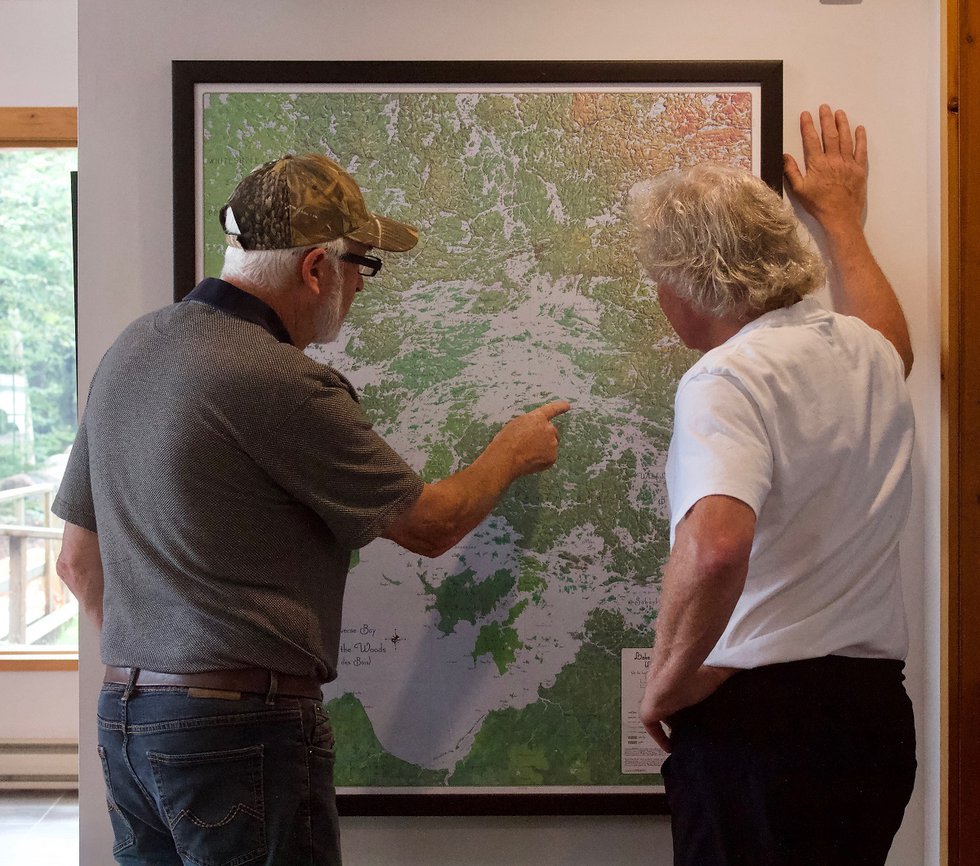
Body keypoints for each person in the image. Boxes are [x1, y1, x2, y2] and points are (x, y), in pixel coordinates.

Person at [53, 152, 570, 866]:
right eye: (361, 264)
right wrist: (512, 451)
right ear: (316, 269)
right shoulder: (282, 381)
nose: (360, 283)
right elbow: (429, 524)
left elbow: (77, 564)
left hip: (126, 721)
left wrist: (167, 681)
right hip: (240, 731)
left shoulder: (131, 350)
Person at [631, 106, 916, 865]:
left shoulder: (724, 378)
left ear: (693, 284)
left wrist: (666, 681)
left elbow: (717, 548)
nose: (659, 300)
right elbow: (895, 340)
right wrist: (843, 224)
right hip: (873, 718)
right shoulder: (866, 354)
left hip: (761, 731)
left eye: (659, 280)